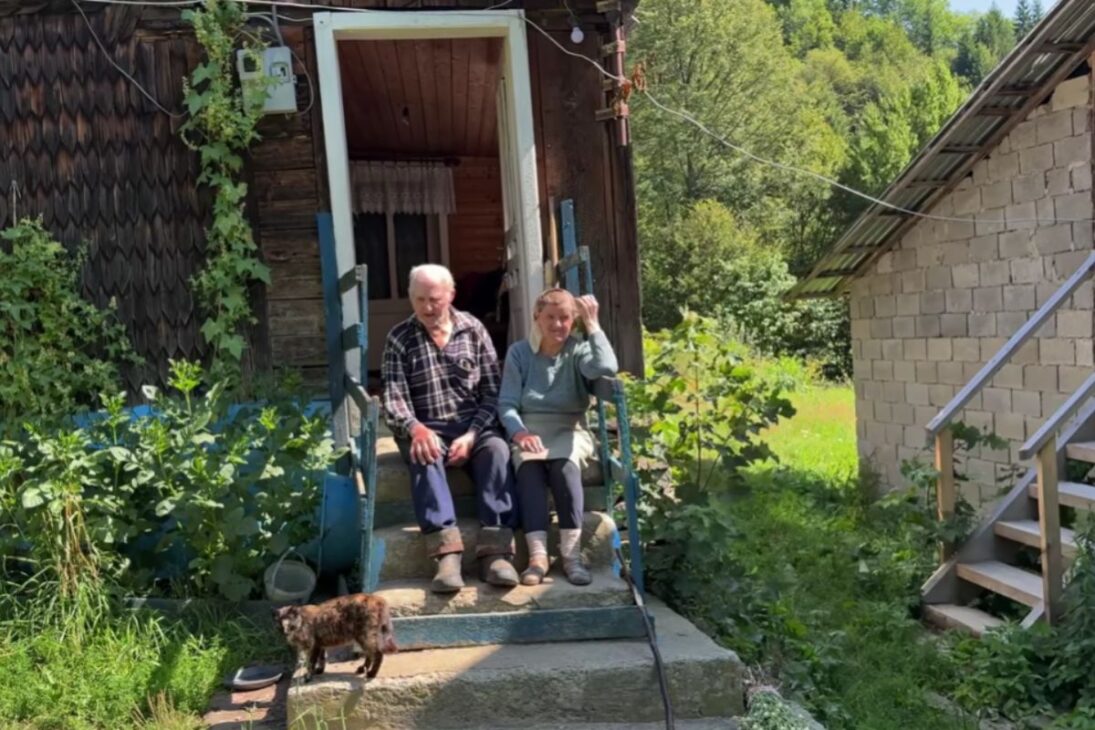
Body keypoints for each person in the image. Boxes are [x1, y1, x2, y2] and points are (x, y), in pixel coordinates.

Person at [381, 264, 519, 594]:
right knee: (424, 455)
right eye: (419, 300)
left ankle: (497, 553)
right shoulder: (399, 339)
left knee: (497, 451)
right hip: (426, 426)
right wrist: (415, 429)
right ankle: (446, 556)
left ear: (451, 296)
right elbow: (393, 397)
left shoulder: (473, 330)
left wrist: (472, 435)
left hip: (473, 425)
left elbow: (491, 391)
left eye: (434, 299)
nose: (427, 307)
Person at [496, 288, 618, 586]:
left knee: (565, 470)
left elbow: (607, 367)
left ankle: (571, 556)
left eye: (565, 318)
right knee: (529, 474)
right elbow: (507, 404)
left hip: (570, 428)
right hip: (530, 430)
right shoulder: (520, 352)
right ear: (538, 317)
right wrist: (520, 433)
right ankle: (538, 558)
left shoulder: (578, 350)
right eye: (551, 317)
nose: (558, 325)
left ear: (573, 320)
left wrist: (593, 326)